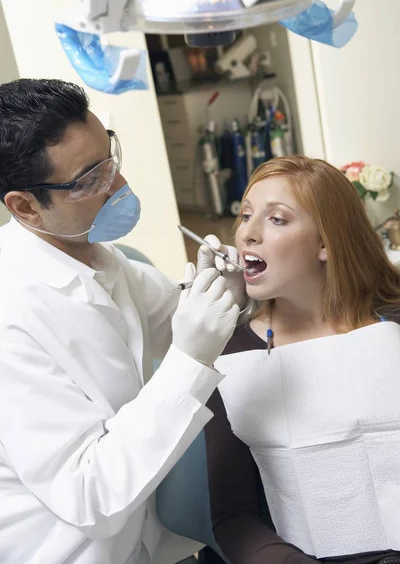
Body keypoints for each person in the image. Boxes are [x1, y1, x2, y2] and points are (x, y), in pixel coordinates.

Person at [0, 78, 244, 564]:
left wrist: (226, 290)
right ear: (25, 207)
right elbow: (90, 494)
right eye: (89, 179)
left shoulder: (100, 258)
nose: (119, 186)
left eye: (109, 157)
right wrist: (190, 359)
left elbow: (174, 313)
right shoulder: (12, 319)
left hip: (153, 543)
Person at [205, 156, 400, 564]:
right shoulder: (231, 354)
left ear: (326, 243)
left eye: (276, 219)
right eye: (244, 215)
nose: (248, 235)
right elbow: (233, 516)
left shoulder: (394, 323)